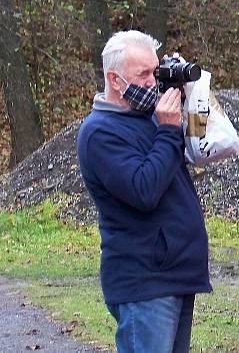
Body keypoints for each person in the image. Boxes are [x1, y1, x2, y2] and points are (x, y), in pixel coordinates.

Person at [76, 30, 211, 353]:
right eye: (144, 74)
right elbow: (143, 190)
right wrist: (167, 130)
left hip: (178, 273)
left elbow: (204, 146)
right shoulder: (99, 133)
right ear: (115, 79)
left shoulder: (151, 115)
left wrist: (191, 95)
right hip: (145, 282)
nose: (153, 82)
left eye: (156, 71)